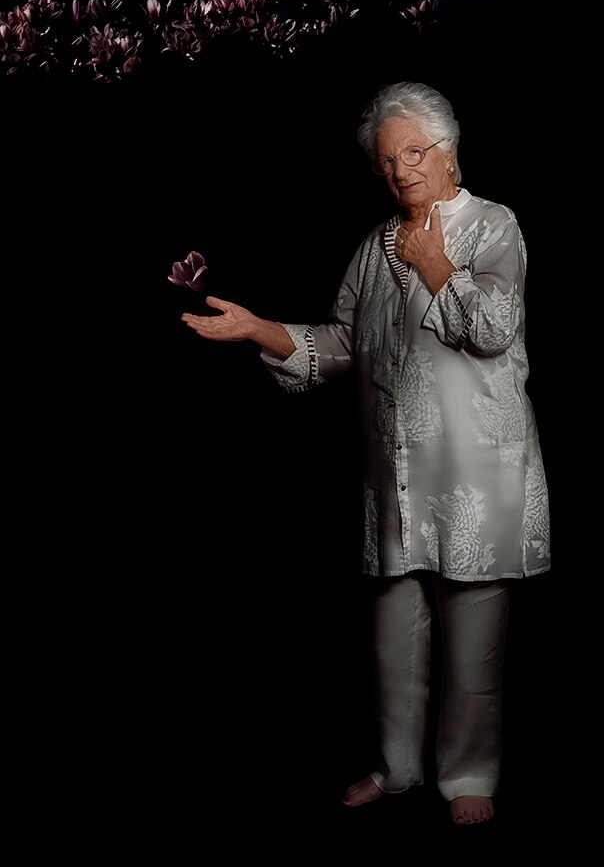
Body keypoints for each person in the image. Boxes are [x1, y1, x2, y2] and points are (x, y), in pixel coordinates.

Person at [181, 81, 550, 827]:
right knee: (392, 643)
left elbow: (494, 329)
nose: (402, 170)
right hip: (397, 480)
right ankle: (398, 767)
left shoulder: (492, 226)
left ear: (449, 153)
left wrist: (434, 264)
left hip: (477, 480)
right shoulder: (373, 247)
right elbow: (340, 346)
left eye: (416, 152)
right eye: (388, 161)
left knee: (473, 647)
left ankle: (469, 774)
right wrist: (258, 329)